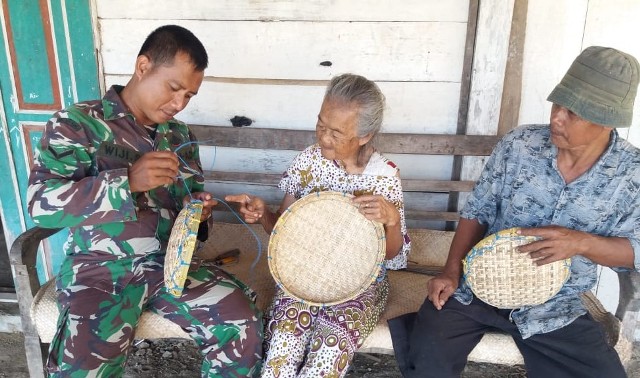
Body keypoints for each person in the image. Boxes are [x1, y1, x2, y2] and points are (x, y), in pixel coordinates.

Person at [389, 46, 640, 378]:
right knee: (427, 354)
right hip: (480, 284)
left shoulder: (631, 175)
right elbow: (477, 211)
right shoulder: (520, 145)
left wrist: (580, 243)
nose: (556, 118)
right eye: (557, 104)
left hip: (556, 306)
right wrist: (451, 271)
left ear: (607, 122)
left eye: (572, 113)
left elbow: (634, 251)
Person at [27, 25, 262, 377]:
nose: (179, 104)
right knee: (82, 369)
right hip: (99, 270)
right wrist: (126, 182)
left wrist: (198, 211)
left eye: (189, 96)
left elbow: (190, 209)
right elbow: (41, 203)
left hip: (170, 268)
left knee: (242, 324)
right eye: (173, 88)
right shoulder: (78, 125)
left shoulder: (180, 136)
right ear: (143, 66)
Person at [226, 73, 411, 377]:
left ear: (364, 135)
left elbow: (390, 255)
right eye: (321, 125)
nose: (324, 137)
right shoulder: (308, 162)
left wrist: (391, 220)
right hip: (303, 276)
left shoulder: (384, 176)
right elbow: (283, 229)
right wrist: (264, 216)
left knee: (324, 362)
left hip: (358, 286)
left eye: (336, 132)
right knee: (279, 358)